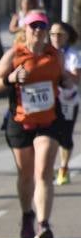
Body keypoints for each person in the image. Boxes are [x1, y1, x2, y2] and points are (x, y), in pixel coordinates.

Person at [0, 10, 74, 238]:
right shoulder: (14, 55)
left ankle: (44, 223)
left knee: (43, 171)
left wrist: (68, 83)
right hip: (20, 122)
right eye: (33, 26)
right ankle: (27, 215)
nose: (38, 30)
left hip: (48, 122)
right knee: (26, 175)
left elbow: (64, 77)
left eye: (42, 27)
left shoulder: (54, 55)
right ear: (25, 30)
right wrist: (12, 79)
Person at [50, 21, 80, 186]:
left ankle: (63, 167)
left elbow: (76, 79)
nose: (56, 38)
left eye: (60, 34)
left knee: (65, 136)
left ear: (67, 37)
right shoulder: (46, 53)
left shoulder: (73, 55)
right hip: (50, 101)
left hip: (68, 100)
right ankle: (49, 168)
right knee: (49, 134)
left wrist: (61, 70)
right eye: (53, 34)